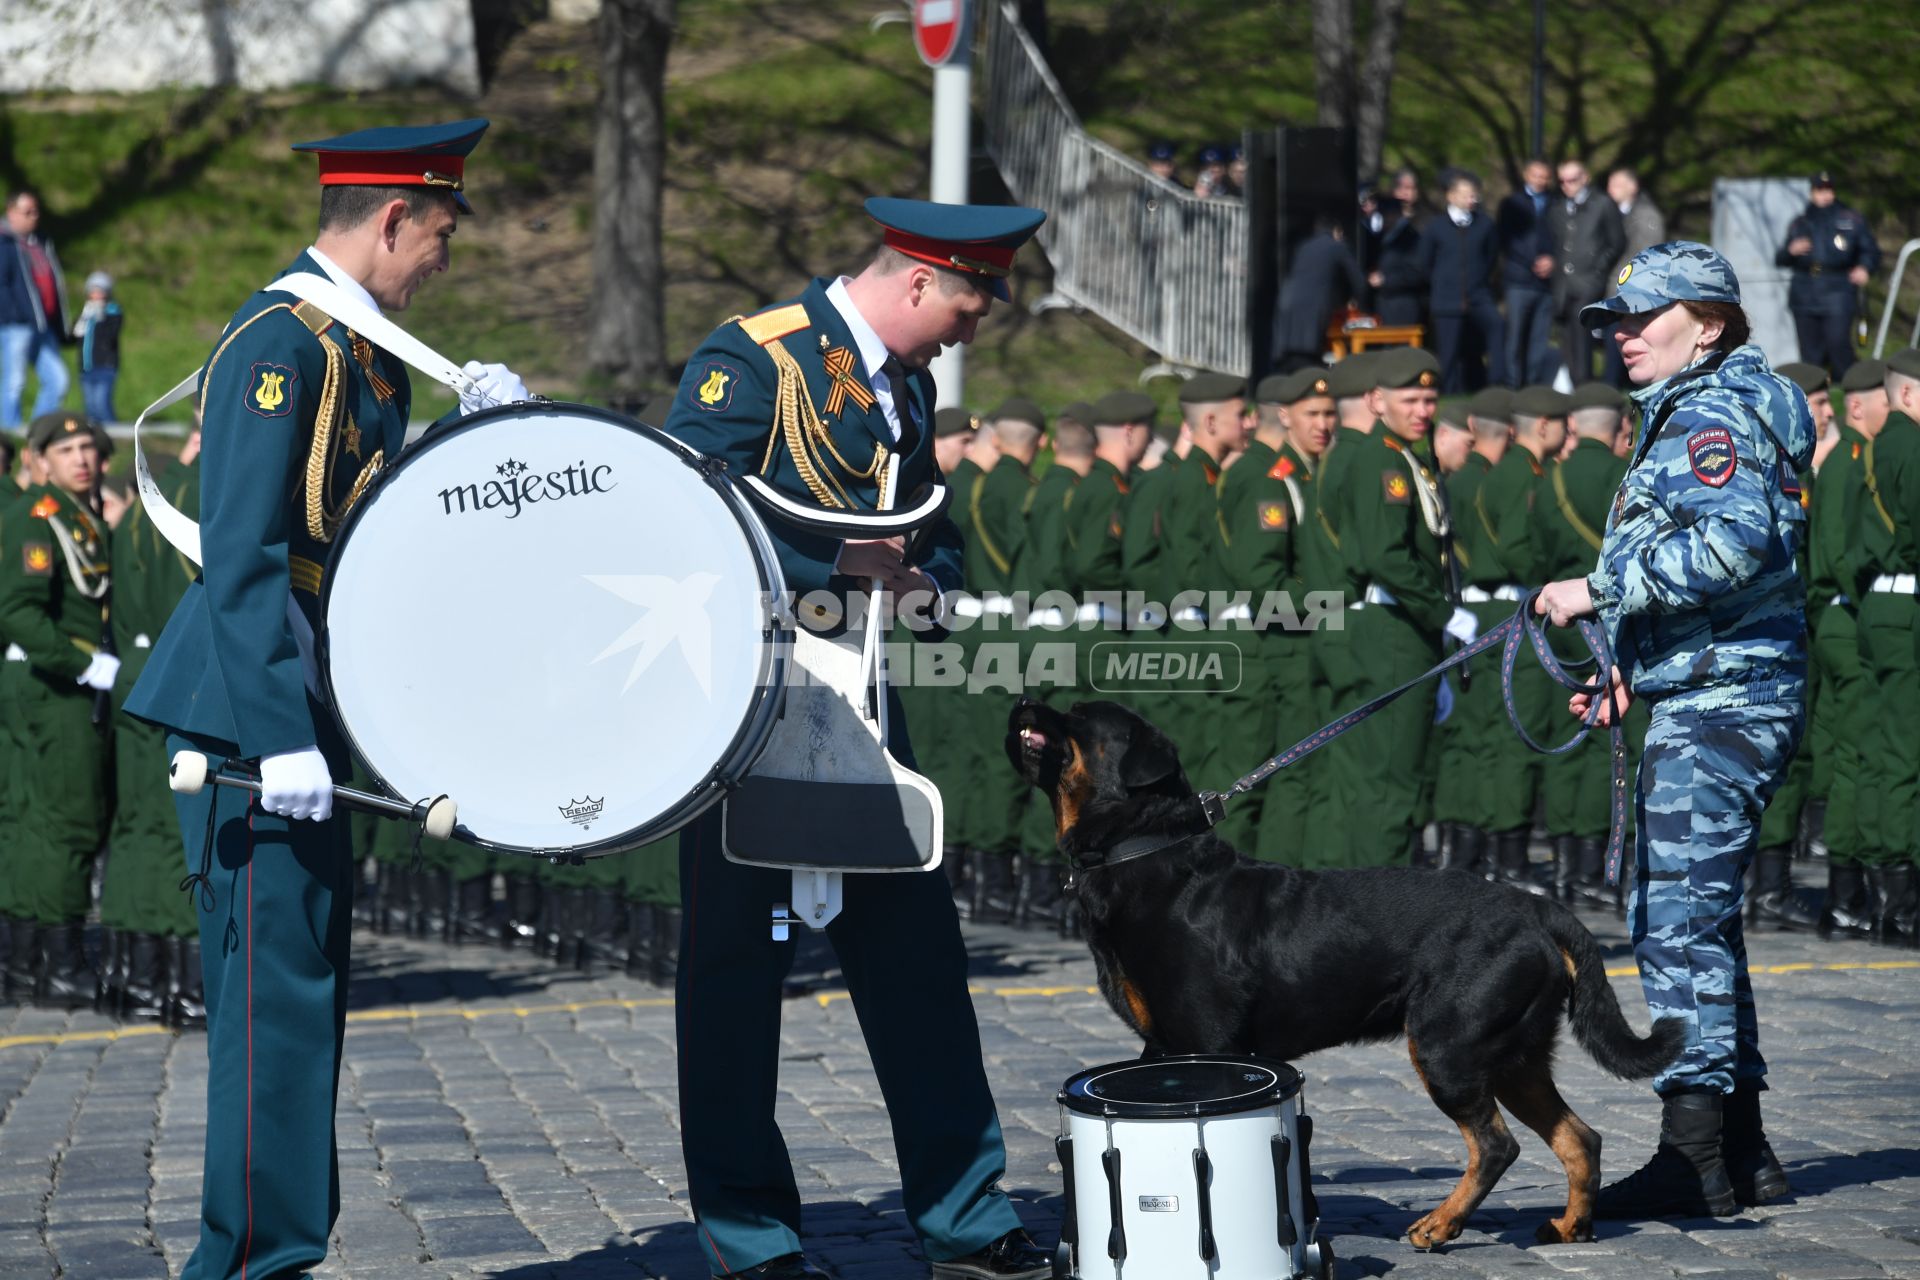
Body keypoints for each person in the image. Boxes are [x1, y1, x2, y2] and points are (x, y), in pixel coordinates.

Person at [122, 119, 528, 1280]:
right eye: (440, 232)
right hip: (252, 724)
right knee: (275, 1009)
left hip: (302, 704)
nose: (445, 258)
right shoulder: (281, 340)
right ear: (392, 218)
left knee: (304, 1004)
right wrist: (281, 729)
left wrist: (474, 439)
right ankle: (249, 1262)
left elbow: (373, 530)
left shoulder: (368, 351)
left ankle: (279, 1249)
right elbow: (244, 550)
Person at [659, 196, 1052, 1280]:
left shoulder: (906, 389)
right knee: (735, 983)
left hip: (870, 719)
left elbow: (936, 529)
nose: (973, 329)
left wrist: (929, 583)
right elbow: (679, 513)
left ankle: (967, 1216)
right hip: (749, 718)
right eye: (969, 305)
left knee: (920, 968)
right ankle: (751, 1240)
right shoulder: (755, 360)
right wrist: (835, 572)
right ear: (919, 281)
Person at [1535, 241, 1812, 1219]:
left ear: (1709, 323)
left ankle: (1693, 1155)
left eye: (1643, 317)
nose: (1621, 335)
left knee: (1677, 920)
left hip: (1725, 696)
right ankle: (1742, 1147)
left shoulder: (1710, 413)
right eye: (1615, 318)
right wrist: (1627, 668)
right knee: (1706, 918)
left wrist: (1596, 588)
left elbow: (1733, 547)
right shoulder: (1712, 403)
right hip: (1712, 682)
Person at [1321, 347, 1462, 865]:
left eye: (1429, 399)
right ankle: (1382, 914)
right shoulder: (1383, 460)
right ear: (1378, 401)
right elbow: (1386, 556)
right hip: (1395, 630)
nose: (1423, 409)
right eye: (1411, 399)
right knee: (1390, 787)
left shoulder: (1404, 457)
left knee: (1395, 780)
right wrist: (1445, 614)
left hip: (1406, 628)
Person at [0, 411, 113, 1008]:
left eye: (88, 447)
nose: (81, 459)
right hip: (54, 684)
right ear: (39, 461)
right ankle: (60, 963)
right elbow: (18, 609)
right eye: (65, 449)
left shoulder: (75, 515)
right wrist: (83, 664)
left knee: (35, 822)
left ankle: (25, 960)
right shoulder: (38, 518)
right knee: (68, 820)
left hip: (55, 681)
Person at [1843, 349, 1920, 945]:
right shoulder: (1909, 446)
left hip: (1874, 603)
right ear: (1910, 396)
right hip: (1906, 604)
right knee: (1902, 753)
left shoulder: (1868, 450)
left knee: (1875, 748)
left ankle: (1878, 890)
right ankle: (1900, 901)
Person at [1775, 172, 1881, 379]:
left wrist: (1864, 267)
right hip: (1805, 291)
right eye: (1820, 190)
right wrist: (1791, 250)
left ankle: (1851, 387)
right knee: (1810, 352)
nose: (1825, 194)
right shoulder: (1800, 222)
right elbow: (1780, 259)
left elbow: (1871, 251)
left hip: (1838, 288)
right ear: (1812, 193)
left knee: (1838, 343)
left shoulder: (1850, 219)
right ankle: (1815, 394)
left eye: (1829, 189)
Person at [1418, 170, 1504, 394]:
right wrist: (1441, 283)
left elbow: (1491, 256)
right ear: (1451, 196)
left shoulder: (1484, 224)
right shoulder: (1436, 227)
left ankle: (1497, 383)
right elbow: (1425, 262)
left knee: (1496, 326)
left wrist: (1480, 281)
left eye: (1474, 195)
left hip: (1478, 296)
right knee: (1449, 351)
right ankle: (1446, 392)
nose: (1471, 199)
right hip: (1447, 299)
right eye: (1466, 195)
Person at [1549, 160, 1626, 385]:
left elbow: (1617, 242)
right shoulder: (1558, 207)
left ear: (1585, 178)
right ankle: (1573, 383)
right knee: (1565, 334)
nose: (1566, 185)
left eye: (1572, 180)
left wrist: (1598, 270)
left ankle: (1583, 384)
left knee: (1581, 330)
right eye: (1562, 181)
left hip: (1589, 281)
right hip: (1563, 283)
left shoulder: (1602, 204)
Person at [0, 190, 71, 430]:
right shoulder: (4, 242)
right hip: (15, 326)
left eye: (36, 211)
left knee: (58, 380)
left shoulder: (40, 242)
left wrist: (60, 324)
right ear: (11, 212)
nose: (34, 217)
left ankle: (39, 431)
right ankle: (9, 432)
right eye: (27, 212)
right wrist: (16, 315)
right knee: (14, 381)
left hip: (42, 325)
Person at [1273, 216, 1365, 372]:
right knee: (1308, 357)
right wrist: (1362, 306)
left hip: (1287, 304)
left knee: (1291, 356)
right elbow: (1358, 281)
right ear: (1337, 232)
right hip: (1313, 308)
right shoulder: (1336, 247)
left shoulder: (1304, 246)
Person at [1496, 159, 1558, 387]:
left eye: (1544, 176)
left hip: (1545, 284)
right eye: (1535, 175)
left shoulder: (1555, 203)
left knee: (1538, 339)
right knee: (1515, 336)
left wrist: (1553, 261)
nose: (1540, 180)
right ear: (1526, 175)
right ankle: (1512, 383)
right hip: (1519, 280)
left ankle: (1533, 384)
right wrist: (1532, 261)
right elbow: (1507, 239)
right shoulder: (1511, 203)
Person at [1603, 170, 1667, 387]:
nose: (1611, 189)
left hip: (1632, 293)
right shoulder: (1617, 213)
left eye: (1618, 184)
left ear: (1633, 186)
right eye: (1610, 184)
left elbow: (1648, 254)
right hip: (1619, 290)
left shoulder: (1646, 215)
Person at [1369, 167, 1431, 327]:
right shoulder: (1378, 231)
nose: (1405, 193)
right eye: (1400, 187)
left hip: (1410, 302)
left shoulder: (1424, 224)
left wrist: (1387, 280)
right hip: (1382, 304)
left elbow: (1419, 270)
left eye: (1410, 188)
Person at [73, 271, 124, 424]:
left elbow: (110, 335)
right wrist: (83, 318)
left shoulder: (113, 311)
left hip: (104, 366)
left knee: (101, 404)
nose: (96, 295)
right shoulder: (85, 314)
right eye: (93, 291)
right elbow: (73, 335)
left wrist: (100, 315)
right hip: (86, 367)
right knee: (90, 407)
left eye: (100, 291)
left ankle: (113, 434)